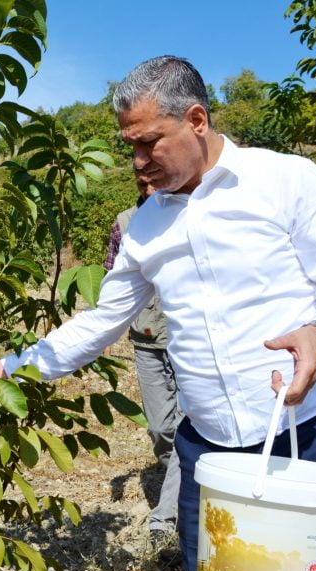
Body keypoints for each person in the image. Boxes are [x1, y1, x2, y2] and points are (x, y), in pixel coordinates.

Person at [0, 55, 316, 571]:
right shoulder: (145, 226)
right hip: (206, 448)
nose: (137, 162)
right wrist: (14, 366)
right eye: (129, 147)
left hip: (308, 430)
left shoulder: (287, 180)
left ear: (197, 120)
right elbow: (104, 319)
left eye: (150, 142)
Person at [104, 177, 182, 541]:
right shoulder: (124, 222)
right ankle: (189, 487)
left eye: (156, 183)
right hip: (147, 336)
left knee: (186, 428)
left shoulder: (190, 213)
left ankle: (165, 518)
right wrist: (106, 327)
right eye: (142, 183)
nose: (149, 190)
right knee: (160, 429)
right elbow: (112, 277)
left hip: (188, 339)